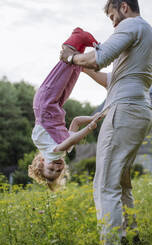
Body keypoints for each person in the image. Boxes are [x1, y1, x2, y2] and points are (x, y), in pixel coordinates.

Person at [60, 0, 152, 245]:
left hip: (123, 112)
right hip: (138, 111)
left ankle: (112, 243)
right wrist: (81, 68)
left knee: (105, 185)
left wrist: (72, 57)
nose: (113, 24)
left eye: (113, 16)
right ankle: (130, 237)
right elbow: (110, 79)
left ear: (124, 6)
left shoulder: (131, 25)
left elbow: (99, 58)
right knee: (121, 180)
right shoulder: (144, 34)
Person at [29, 28, 102, 191]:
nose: (56, 167)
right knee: (74, 71)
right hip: (55, 105)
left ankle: (76, 38)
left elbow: (71, 140)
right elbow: (76, 122)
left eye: (50, 169)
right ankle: (80, 48)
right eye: (58, 171)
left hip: (44, 103)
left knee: (64, 68)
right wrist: (91, 118)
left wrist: (90, 128)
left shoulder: (53, 152)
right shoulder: (64, 148)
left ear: (42, 162)